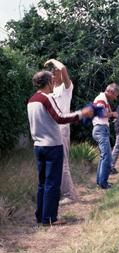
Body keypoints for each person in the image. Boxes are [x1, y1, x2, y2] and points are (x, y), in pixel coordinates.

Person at [27, 70, 93, 225]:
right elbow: (60, 118)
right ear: (48, 82)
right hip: (52, 146)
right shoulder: (46, 98)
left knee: (43, 183)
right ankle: (50, 218)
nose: (54, 83)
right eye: (52, 81)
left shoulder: (32, 100)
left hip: (38, 146)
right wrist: (81, 113)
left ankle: (40, 216)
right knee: (52, 183)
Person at [44, 58, 76, 205]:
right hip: (51, 129)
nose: (53, 72)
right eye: (51, 71)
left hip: (62, 128)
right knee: (54, 162)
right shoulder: (50, 91)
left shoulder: (66, 88)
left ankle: (69, 195)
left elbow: (63, 69)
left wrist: (52, 60)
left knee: (63, 162)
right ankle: (60, 192)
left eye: (55, 71)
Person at [92, 83, 119, 189]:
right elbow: (101, 114)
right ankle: (103, 183)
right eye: (115, 95)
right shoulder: (101, 99)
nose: (115, 97)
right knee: (107, 157)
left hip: (100, 129)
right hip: (100, 129)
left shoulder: (103, 99)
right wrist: (113, 114)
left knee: (104, 157)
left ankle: (101, 181)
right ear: (111, 92)